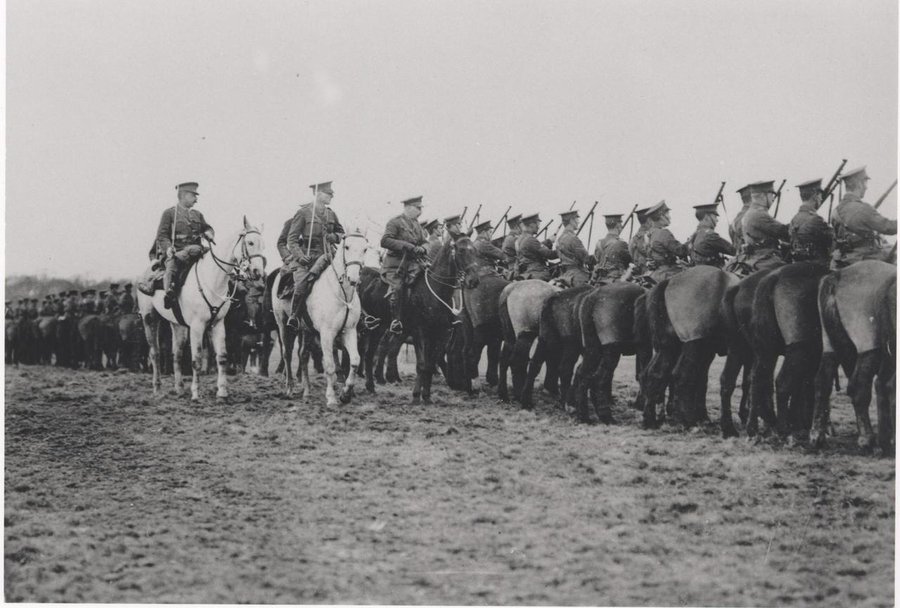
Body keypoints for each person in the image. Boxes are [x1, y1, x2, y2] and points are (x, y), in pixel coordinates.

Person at [286, 181, 345, 330]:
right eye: (328, 193)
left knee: (349, 279)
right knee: (301, 285)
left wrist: (334, 237)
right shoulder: (303, 213)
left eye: (331, 194)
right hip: (307, 258)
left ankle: (359, 317)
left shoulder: (331, 214)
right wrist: (299, 256)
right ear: (318, 194)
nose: (331, 196)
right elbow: (291, 239)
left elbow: (341, 233)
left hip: (328, 256)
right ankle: (294, 317)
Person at [154, 182, 215, 309]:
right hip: (178, 252)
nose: (196, 199)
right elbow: (162, 235)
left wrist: (209, 233)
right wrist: (168, 248)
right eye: (193, 195)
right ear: (183, 195)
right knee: (172, 265)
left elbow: (207, 228)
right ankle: (169, 294)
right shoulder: (170, 213)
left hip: (197, 250)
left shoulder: (197, 214)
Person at [832, 166, 897, 267]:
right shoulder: (864, 208)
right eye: (865, 182)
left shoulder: (835, 211)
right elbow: (889, 227)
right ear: (859, 184)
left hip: (845, 258)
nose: (866, 187)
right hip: (868, 258)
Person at [380, 196, 429, 333]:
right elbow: (385, 241)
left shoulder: (417, 225)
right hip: (396, 265)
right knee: (397, 287)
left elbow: (425, 241)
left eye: (420, 208)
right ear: (407, 207)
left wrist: (424, 248)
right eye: (417, 208)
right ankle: (396, 320)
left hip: (414, 264)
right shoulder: (394, 222)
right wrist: (407, 246)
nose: (420, 212)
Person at [741, 180, 789, 271]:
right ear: (763, 196)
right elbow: (783, 231)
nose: (773, 198)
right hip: (764, 258)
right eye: (771, 195)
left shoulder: (750, 213)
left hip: (755, 257)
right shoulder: (759, 214)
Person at [788, 178, 832, 266]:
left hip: (798, 264)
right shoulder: (817, 220)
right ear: (815, 196)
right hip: (817, 266)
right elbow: (832, 242)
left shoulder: (794, 219)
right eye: (820, 195)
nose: (821, 198)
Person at [645, 201, 687, 281]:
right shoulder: (663, 233)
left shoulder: (649, 234)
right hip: (669, 273)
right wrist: (691, 241)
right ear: (661, 216)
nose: (670, 217)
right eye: (667, 214)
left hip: (656, 274)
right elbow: (681, 251)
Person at [688, 203, 734, 267]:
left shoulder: (695, 235)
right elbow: (733, 250)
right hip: (715, 272)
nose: (717, 220)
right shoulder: (710, 235)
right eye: (715, 216)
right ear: (707, 217)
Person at [556, 210, 593, 286]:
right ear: (572, 221)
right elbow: (586, 259)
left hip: (565, 275)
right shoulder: (573, 238)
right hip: (577, 276)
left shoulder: (559, 239)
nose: (578, 222)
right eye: (577, 219)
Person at [515, 213, 558, 280]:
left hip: (527, 272)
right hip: (538, 272)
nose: (538, 227)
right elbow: (550, 255)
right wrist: (562, 249)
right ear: (532, 225)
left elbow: (533, 249)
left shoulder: (519, 239)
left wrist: (549, 241)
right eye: (538, 224)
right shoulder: (530, 239)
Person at [593, 213, 632, 281]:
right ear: (618, 225)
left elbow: (597, 260)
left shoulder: (599, 243)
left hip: (600, 279)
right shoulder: (621, 243)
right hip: (616, 279)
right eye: (620, 223)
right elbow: (629, 262)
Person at [628, 207, 652, 274]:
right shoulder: (649, 236)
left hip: (638, 274)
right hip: (650, 274)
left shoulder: (633, 239)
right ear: (649, 220)